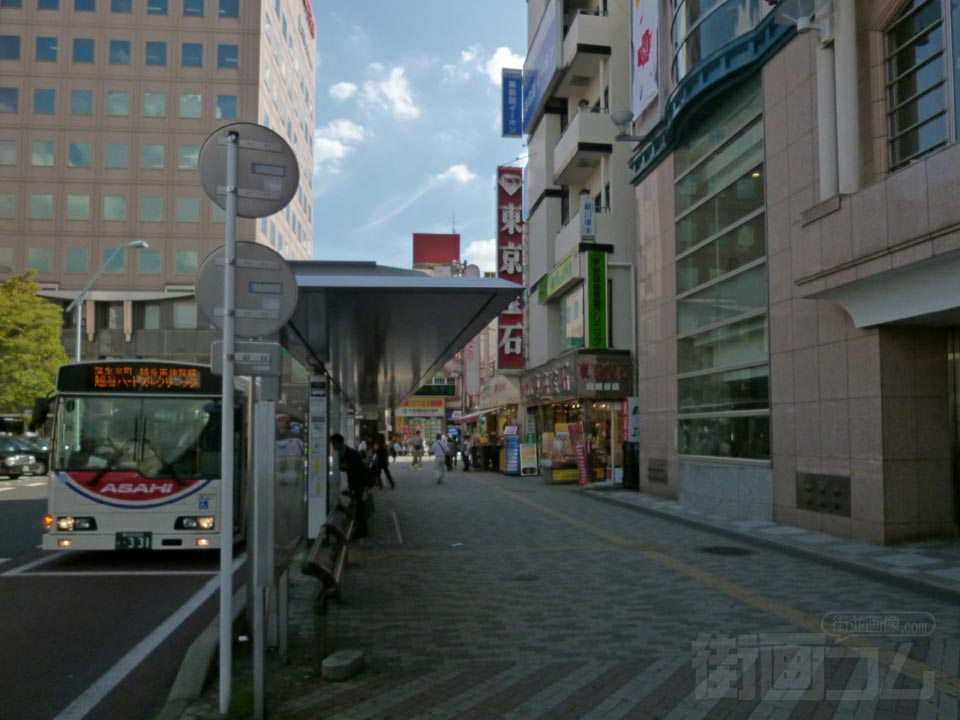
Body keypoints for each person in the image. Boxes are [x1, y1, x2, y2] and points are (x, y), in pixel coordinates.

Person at [330, 433, 370, 538]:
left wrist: (346, 466)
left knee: (359, 508)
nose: (333, 446)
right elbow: (344, 467)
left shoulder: (351, 453)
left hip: (359, 484)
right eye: (332, 444)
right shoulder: (341, 453)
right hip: (353, 484)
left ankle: (360, 532)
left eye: (334, 443)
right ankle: (362, 531)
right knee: (358, 508)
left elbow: (358, 468)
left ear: (340, 443)